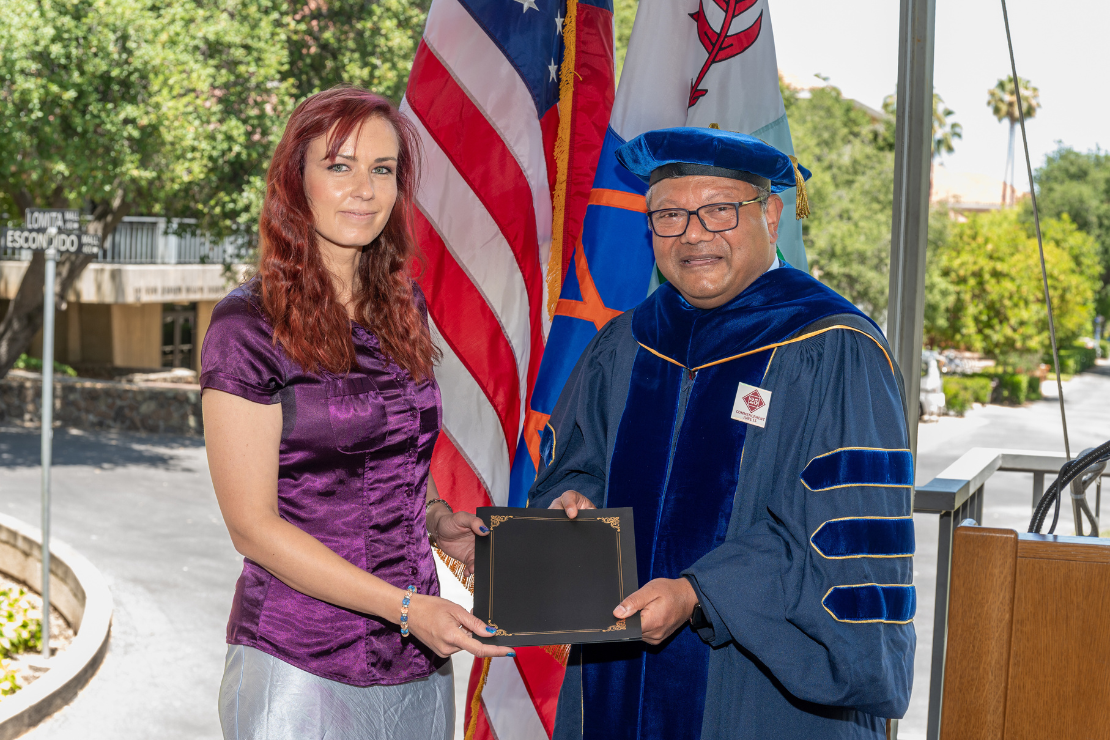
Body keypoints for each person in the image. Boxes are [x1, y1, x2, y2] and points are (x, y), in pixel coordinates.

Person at [528, 127, 916, 739]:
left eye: (719, 210)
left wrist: (698, 593)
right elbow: (577, 465)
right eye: (670, 215)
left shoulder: (832, 347)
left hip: (760, 690)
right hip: (619, 671)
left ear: (770, 214)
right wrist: (568, 502)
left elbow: (837, 536)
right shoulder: (626, 343)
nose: (694, 234)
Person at [200, 86, 512, 740]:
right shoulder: (247, 326)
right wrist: (406, 609)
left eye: (383, 169)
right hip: (298, 661)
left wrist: (434, 521)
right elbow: (252, 528)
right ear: (297, 180)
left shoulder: (405, 309)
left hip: (416, 660)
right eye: (339, 166)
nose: (363, 189)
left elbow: (393, 454)